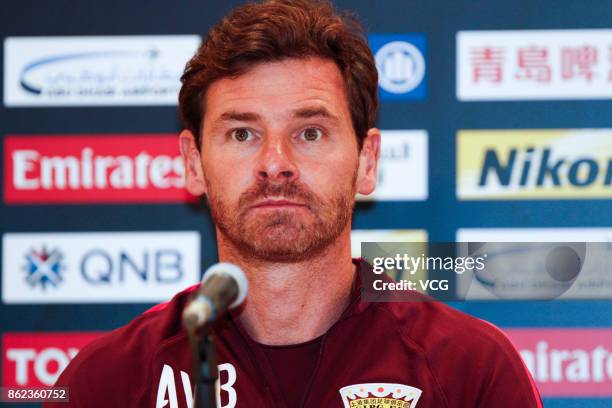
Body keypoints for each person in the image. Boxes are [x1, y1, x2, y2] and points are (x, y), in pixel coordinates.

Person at [47, 0, 543, 407]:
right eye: (242, 133)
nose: (274, 163)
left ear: (367, 161)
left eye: (310, 132)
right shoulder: (105, 385)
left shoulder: (469, 372)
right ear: (193, 163)